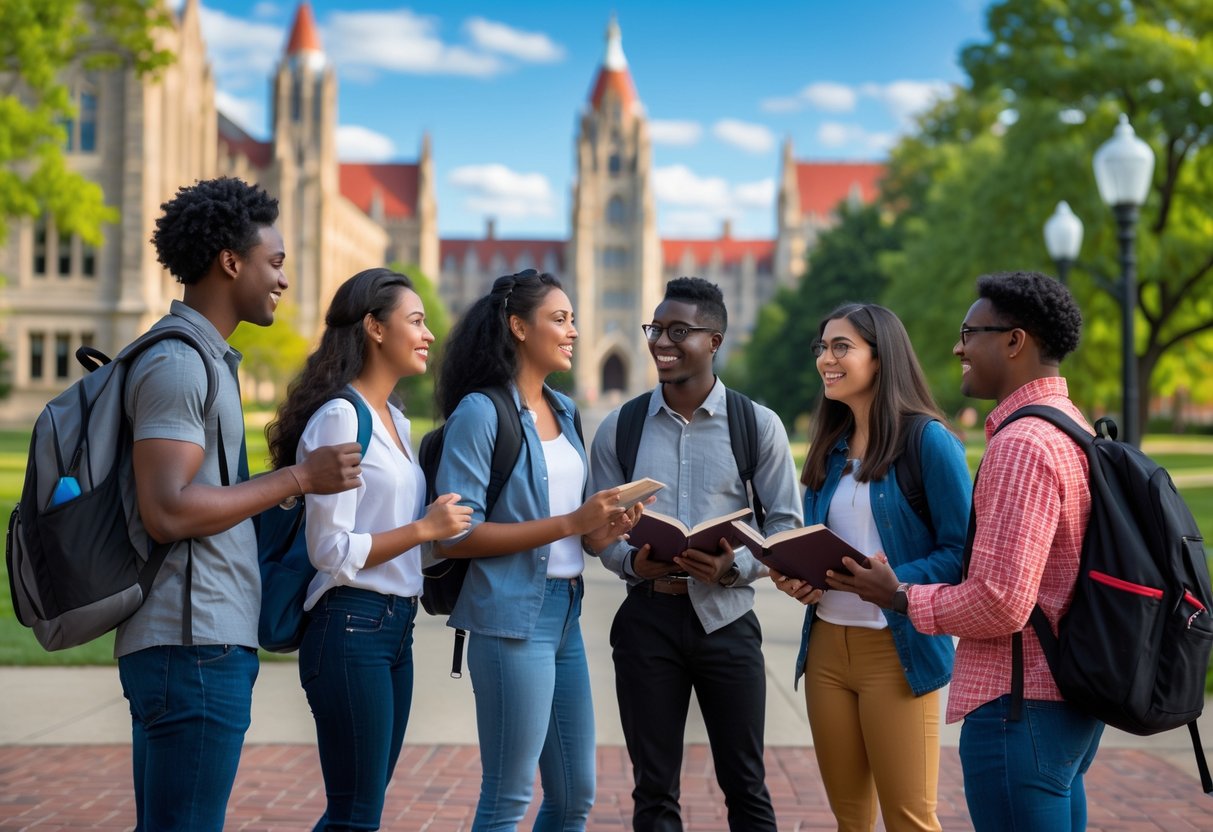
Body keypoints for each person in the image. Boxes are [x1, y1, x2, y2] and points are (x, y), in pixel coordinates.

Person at [121, 177, 362, 831]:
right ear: (232, 262)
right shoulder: (178, 365)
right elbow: (166, 510)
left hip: (201, 640)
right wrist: (298, 480)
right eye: (274, 262)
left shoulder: (206, 360)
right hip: (190, 641)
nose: (282, 279)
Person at [833, 272, 1101, 832]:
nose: (958, 347)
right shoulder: (1072, 428)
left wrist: (900, 594)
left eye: (969, 332)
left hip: (1019, 705)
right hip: (1067, 697)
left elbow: (1002, 603)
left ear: (1013, 342)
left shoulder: (1023, 445)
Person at [587, 276, 803, 832]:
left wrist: (737, 567)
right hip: (648, 619)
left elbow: (784, 524)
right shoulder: (621, 427)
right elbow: (601, 529)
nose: (662, 341)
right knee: (653, 791)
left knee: (746, 785)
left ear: (714, 340)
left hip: (726, 620)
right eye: (655, 329)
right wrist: (631, 562)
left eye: (678, 330)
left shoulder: (758, 426)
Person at [266, 268, 473, 830]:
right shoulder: (341, 416)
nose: (428, 334)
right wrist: (424, 530)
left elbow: (404, 544)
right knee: (357, 813)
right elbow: (329, 550)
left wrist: (453, 537)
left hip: (394, 629)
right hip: (349, 625)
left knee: (360, 807)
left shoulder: (398, 422)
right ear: (375, 329)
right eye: (416, 321)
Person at [432, 269, 638, 831]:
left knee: (575, 796)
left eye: (573, 319)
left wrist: (601, 530)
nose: (574, 330)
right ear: (519, 327)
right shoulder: (481, 412)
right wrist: (571, 519)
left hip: (565, 615)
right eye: (560, 319)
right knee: (508, 798)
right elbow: (455, 532)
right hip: (509, 619)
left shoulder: (565, 410)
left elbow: (573, 535)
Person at [770, 303, 971, 832]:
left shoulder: (928, 441)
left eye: (842, 347)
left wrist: (897, 585)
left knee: (909, 819)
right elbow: (822, 543)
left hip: (897, 652)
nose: (825, 360)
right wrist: (797, 577)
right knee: (850, 819)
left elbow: (962, 552)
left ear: (881, 359)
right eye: (823, 348)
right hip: (827, 651)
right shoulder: (829, 449)